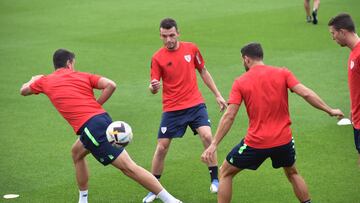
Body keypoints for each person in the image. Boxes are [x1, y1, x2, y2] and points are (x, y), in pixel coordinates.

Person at [20, 49, 182, 203]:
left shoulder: (44, 81)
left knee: (129, 168)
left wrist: (33, 79)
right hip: (102, 120)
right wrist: (96, 105)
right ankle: (83, 199)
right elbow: (111, 84)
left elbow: (23, 91)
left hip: (91, 128)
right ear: (69, 63)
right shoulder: (83, 76)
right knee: (77, 153)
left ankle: (170, 200)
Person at [201, 43, 344, 203]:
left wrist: (214, 144)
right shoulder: (282, 73)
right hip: (284, 141)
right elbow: (305, 93)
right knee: (292, 173)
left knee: (225, 172)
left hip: (256, 143)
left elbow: (229, 115)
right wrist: (329, 110)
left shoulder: (240, 82)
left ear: (246, 59)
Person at [142, 18, 228, 203]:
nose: (168, 40)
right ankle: (153, 188)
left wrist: (218, 95)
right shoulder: (157, 58)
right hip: (172, 108)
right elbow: (153, 86)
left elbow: (203, 71)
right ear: (160, 35)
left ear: (178, 33)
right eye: (164, 36)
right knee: (162, 147)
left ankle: (215, 179)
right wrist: (154, 87)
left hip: (195, 104)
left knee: (207, 137)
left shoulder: (191, 49)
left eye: (171, 35)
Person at [328, 13, 360, 167]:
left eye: (333, 33)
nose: (333, 38)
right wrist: (355, 109)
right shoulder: (354, 52)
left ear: (342, 32)